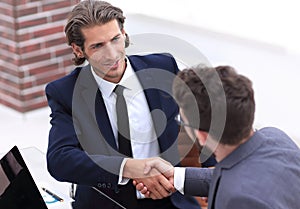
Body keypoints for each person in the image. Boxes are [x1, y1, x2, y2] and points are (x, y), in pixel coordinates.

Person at [45, 0, 201, 209]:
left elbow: (203, 124)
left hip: (171, 198)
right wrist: (130, 168)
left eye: (115, 39)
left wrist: (215, 181)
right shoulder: (66, 92)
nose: (111, 55)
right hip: (107, 203)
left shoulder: (164, 67)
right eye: (98, 46)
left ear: (124, 34)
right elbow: (60, 160)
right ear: (79, 50)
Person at [136, 65, 300, 209]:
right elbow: (245, 172)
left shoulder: (238, 199)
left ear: (202, 136)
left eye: (183, 121)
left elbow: (239, 186)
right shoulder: (275, 137)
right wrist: (177, 177)